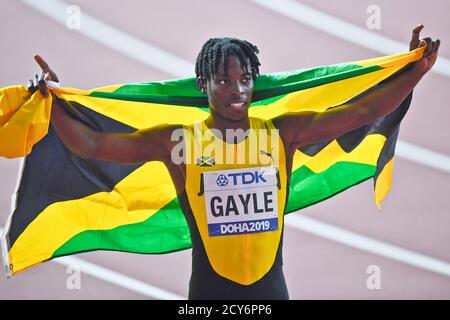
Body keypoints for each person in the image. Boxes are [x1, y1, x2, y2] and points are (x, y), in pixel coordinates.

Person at [27, 25, 439, 299]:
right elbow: (90, 144)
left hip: (270, 291)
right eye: (224, 80)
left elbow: (362, 111)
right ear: (204, 84)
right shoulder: (180, 143)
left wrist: (414, 71)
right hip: (209, 293)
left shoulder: (280, 134)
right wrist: (53, 100)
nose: (237, 89)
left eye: (245, 79)